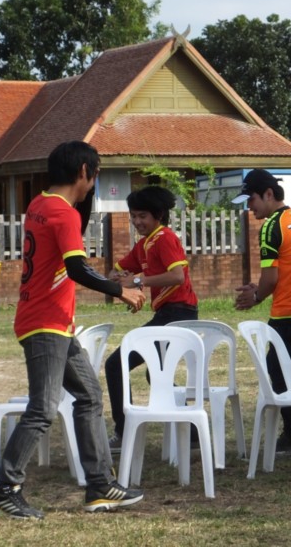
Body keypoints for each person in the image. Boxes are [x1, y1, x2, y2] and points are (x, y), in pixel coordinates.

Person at [0, 140, 147, 520]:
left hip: (50, 322)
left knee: (88, 395)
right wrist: (121, 291)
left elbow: (70, 241)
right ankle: (4, 488)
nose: (94, 183)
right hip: (45, 323)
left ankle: (99, 485)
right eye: (96, 174)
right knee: (42, 409)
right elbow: (77, 268)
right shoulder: (62, 214)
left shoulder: (40, 204)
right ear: (84, 173)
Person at [233, 168, 291, 457]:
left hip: (290, 312)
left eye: (252, 199)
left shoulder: (271, 226)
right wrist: (260, 287)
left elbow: (271, 278)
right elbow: (286, 269)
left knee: (280, 374)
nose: (250, 207)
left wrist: (257, 295)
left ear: (268, 194)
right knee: (288, 371)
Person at [103, 185, 199, 452]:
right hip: (168, 313)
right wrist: (118, 280)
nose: (136, 222)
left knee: (115, 364)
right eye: (133, 216)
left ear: (158, 215)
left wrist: (138, 280)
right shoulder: (144, 244)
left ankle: (125, 432)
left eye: (142, 216)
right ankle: (192, 434)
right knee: (155, 375)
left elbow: (177, 276)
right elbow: (116, 271)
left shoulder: (165, 238)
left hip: (179, 313)